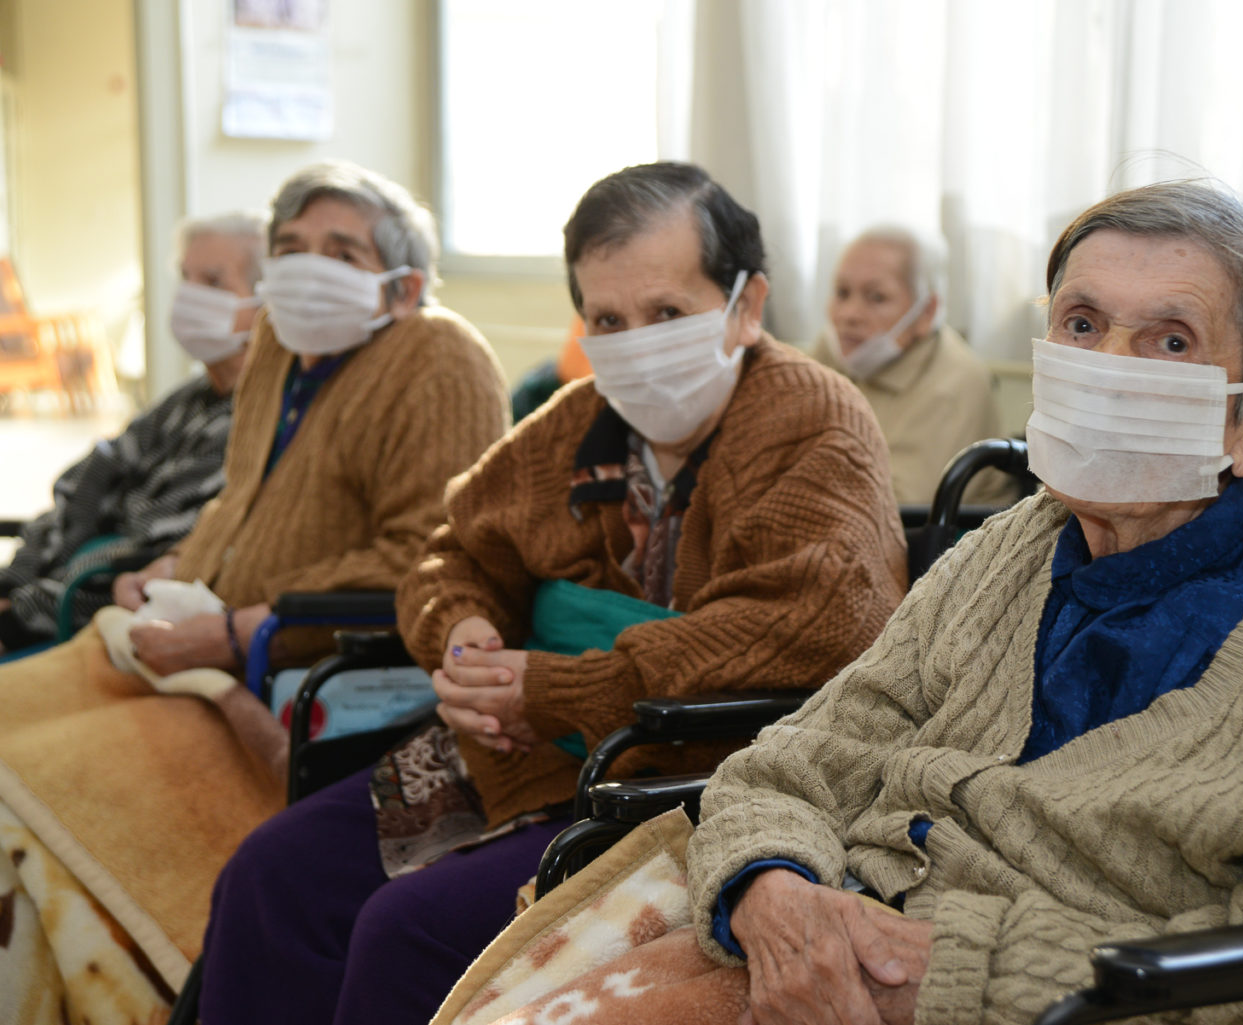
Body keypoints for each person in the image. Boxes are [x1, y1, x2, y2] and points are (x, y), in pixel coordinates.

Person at [494, 181, 1243, 1025]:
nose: (1109, 364)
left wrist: (954, 974)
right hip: (819, 940)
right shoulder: (1007, 548)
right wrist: (772, 889)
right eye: (1082, 324)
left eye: (1169, 339)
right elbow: (792, 764)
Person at [194, 160, 908, 1025]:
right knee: (273, 874)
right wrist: (459, 631)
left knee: (405, 933)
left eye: (666, 314)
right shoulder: (576, 422)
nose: (634, 341)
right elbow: (450, 549)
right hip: (527, 751)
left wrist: (557, 687)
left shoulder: (812, 418)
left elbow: (810, 624)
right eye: (607, 319)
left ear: (746, 305)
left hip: (702, 779)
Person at [0, 160, 509, 1022]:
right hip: (187, 644)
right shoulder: (277, 343)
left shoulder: (440, 358)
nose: (306, 267)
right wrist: (172, 572)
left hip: (296, 674)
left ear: (404, 283)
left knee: (27, 805)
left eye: (340, 251)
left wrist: (236, 630)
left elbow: (426, 561)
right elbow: (239, 504)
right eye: (290, 247)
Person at [0, 212, 266, 656]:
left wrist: (15, 616)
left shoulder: (256, 419)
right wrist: (13, 583)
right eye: (186, 278)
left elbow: (149, 548)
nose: (190, 295)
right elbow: (83, 487)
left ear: (263, 303)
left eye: (214, 282)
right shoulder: (187, 400)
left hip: (93, 619)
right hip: (42, 601)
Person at [810, 226, 1013, 506]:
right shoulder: (837, 348)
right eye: (842, 293)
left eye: (876, 297)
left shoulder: (954, 383)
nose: (848, 314)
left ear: (926, 311)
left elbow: (897, 508)